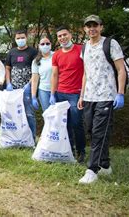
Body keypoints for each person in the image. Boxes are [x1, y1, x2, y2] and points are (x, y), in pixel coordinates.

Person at [78, 15, 126, 184]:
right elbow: (86, 73)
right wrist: (82, 95)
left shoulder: (110, 44)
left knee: (99, 132)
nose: (92, 29)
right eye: (88, 26)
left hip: (107, 95)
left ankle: (92, 169)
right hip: (90, 96)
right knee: (91, 130)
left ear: (101, 27)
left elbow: (121, 69)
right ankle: (105, 165)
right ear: (85, 29)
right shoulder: (84, 47)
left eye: (95, 25)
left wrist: (120, 93)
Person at [50, 25, 86, 163]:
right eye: (59, 36)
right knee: (65, 125)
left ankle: (81, 151)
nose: (62, 38)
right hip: (60, 93)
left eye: (64, 35)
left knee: (77, 124)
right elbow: (54, 75)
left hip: (76, 94)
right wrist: (53, 94)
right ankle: (68, 149)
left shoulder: (81, 49)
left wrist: (83, 94)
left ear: (70, 35)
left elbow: (87, 72)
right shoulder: (57, 54)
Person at [5, 29, 38, 138]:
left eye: (22, 38)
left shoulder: (33, 52)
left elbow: (36, 71)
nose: (20, 40)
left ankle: (32, 138)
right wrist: (8, 83)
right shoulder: (11, 52)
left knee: (29, 114)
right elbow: (8, 68)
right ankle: (19, 137)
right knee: (15, 114)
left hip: (27, 88)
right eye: (18, 38)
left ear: (26, 38)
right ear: (15, 39)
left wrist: (29, 85)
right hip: (14, 89)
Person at [31, 36, 54, 112]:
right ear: (39, 46)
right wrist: (33, 96)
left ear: (51, 44)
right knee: (47, 114)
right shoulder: (36, 61)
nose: (45, 45)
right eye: (42, 44)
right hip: (43, 91)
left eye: (47, 43)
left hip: (57, 90)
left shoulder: (56, 56)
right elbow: (34, 79)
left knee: (59, 115)